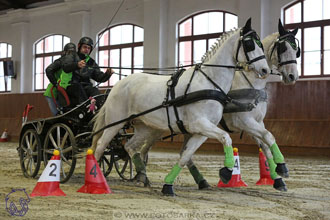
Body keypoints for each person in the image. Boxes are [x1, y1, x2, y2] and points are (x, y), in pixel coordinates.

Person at [62, 37, 113, 107]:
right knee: (79, 88)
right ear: (79, 46)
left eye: (89, 48)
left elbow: (98, 77)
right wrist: (76, 65)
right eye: (85, 47)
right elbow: (66, 67)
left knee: (95, 91)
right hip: (71, 85)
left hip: (86, 86)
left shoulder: (91, 62)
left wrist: (107, 74)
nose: (87, 49)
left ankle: (99, 109)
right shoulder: (72, 56)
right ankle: (85, 108)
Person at [44, 42, 76, 115]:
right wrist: (55, 84)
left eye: (73, 52)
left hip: (64, 92)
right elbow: (48, 70)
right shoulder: (60, 61)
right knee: (58, 115)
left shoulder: (73, 63)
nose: (71, 54)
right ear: (64, 52)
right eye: (69, 52)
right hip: (53, 92)